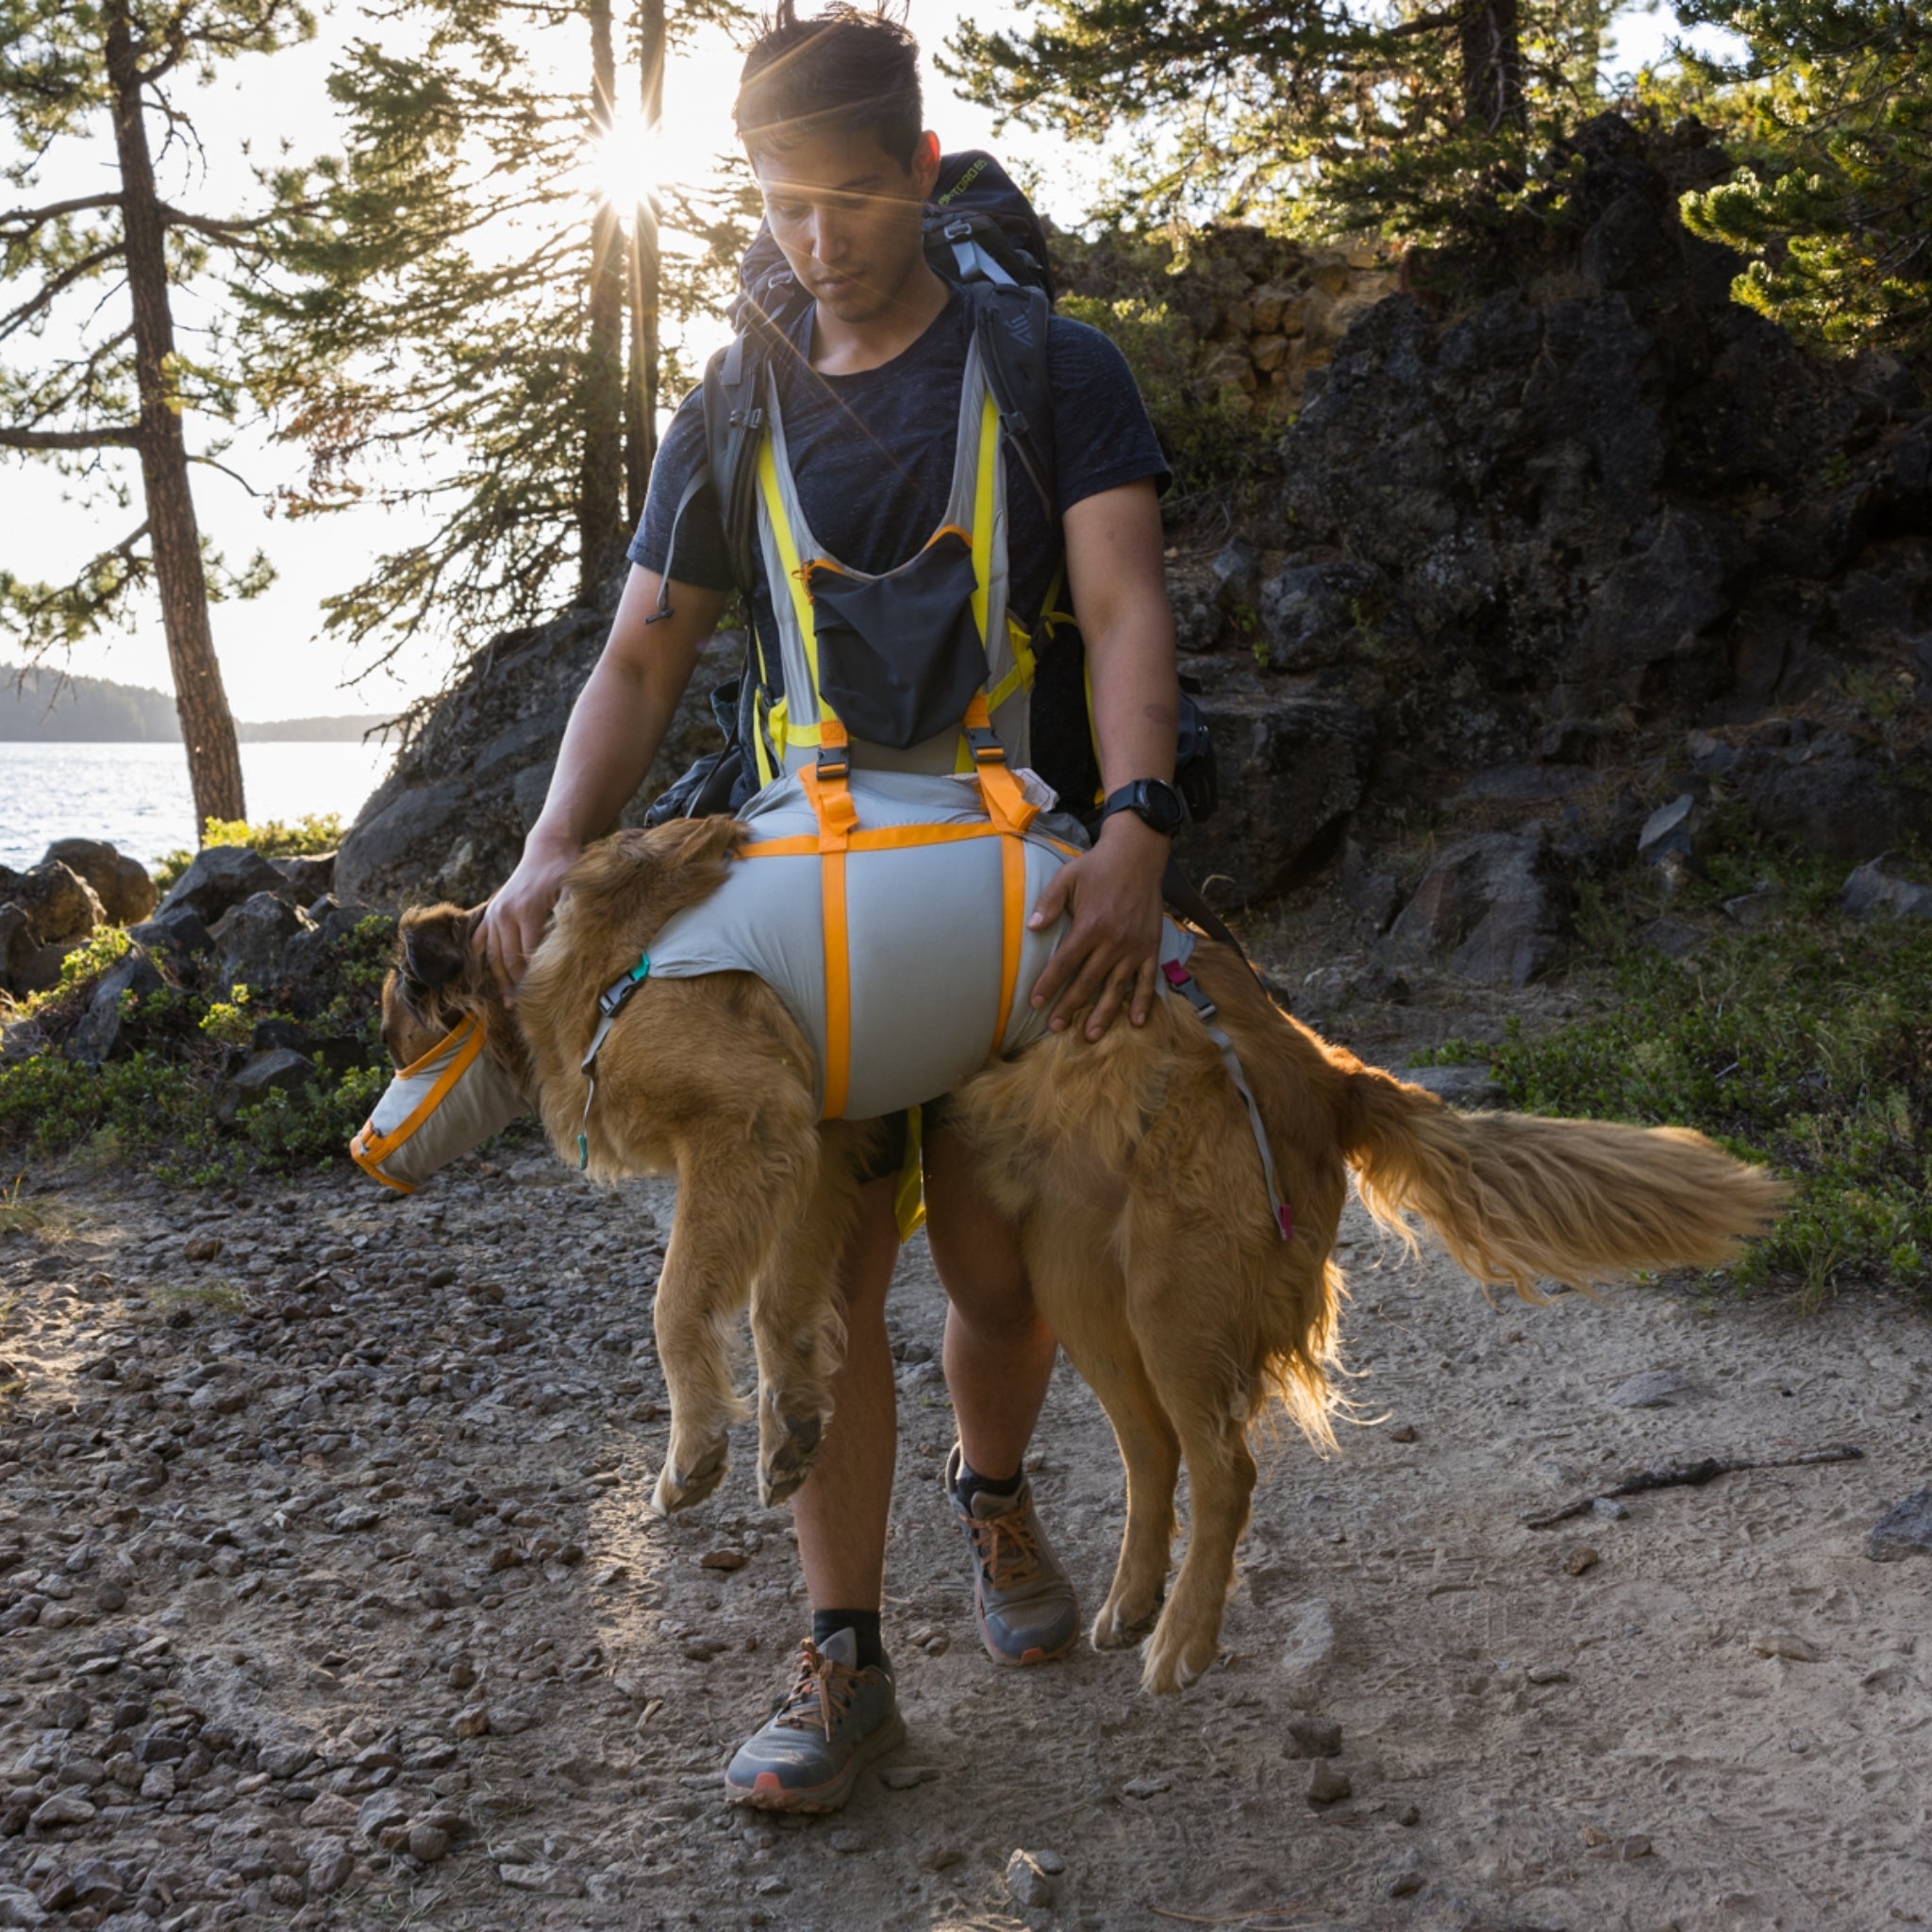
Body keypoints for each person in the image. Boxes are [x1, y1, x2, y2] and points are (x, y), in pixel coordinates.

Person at [477, 0, 1182, 1813]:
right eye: (782, 204)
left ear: (921, 174)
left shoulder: (1050, 369)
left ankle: (998, 1495)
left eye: (852, 199)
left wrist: (1140, 827)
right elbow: (641, 659)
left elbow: (1118, 613)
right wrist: (556, 847)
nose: (816, 241)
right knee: (824, 1278)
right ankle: (846, 1655)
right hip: (804, 890)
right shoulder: (727, 405)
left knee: (1001, 1268)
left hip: (1013, 870)